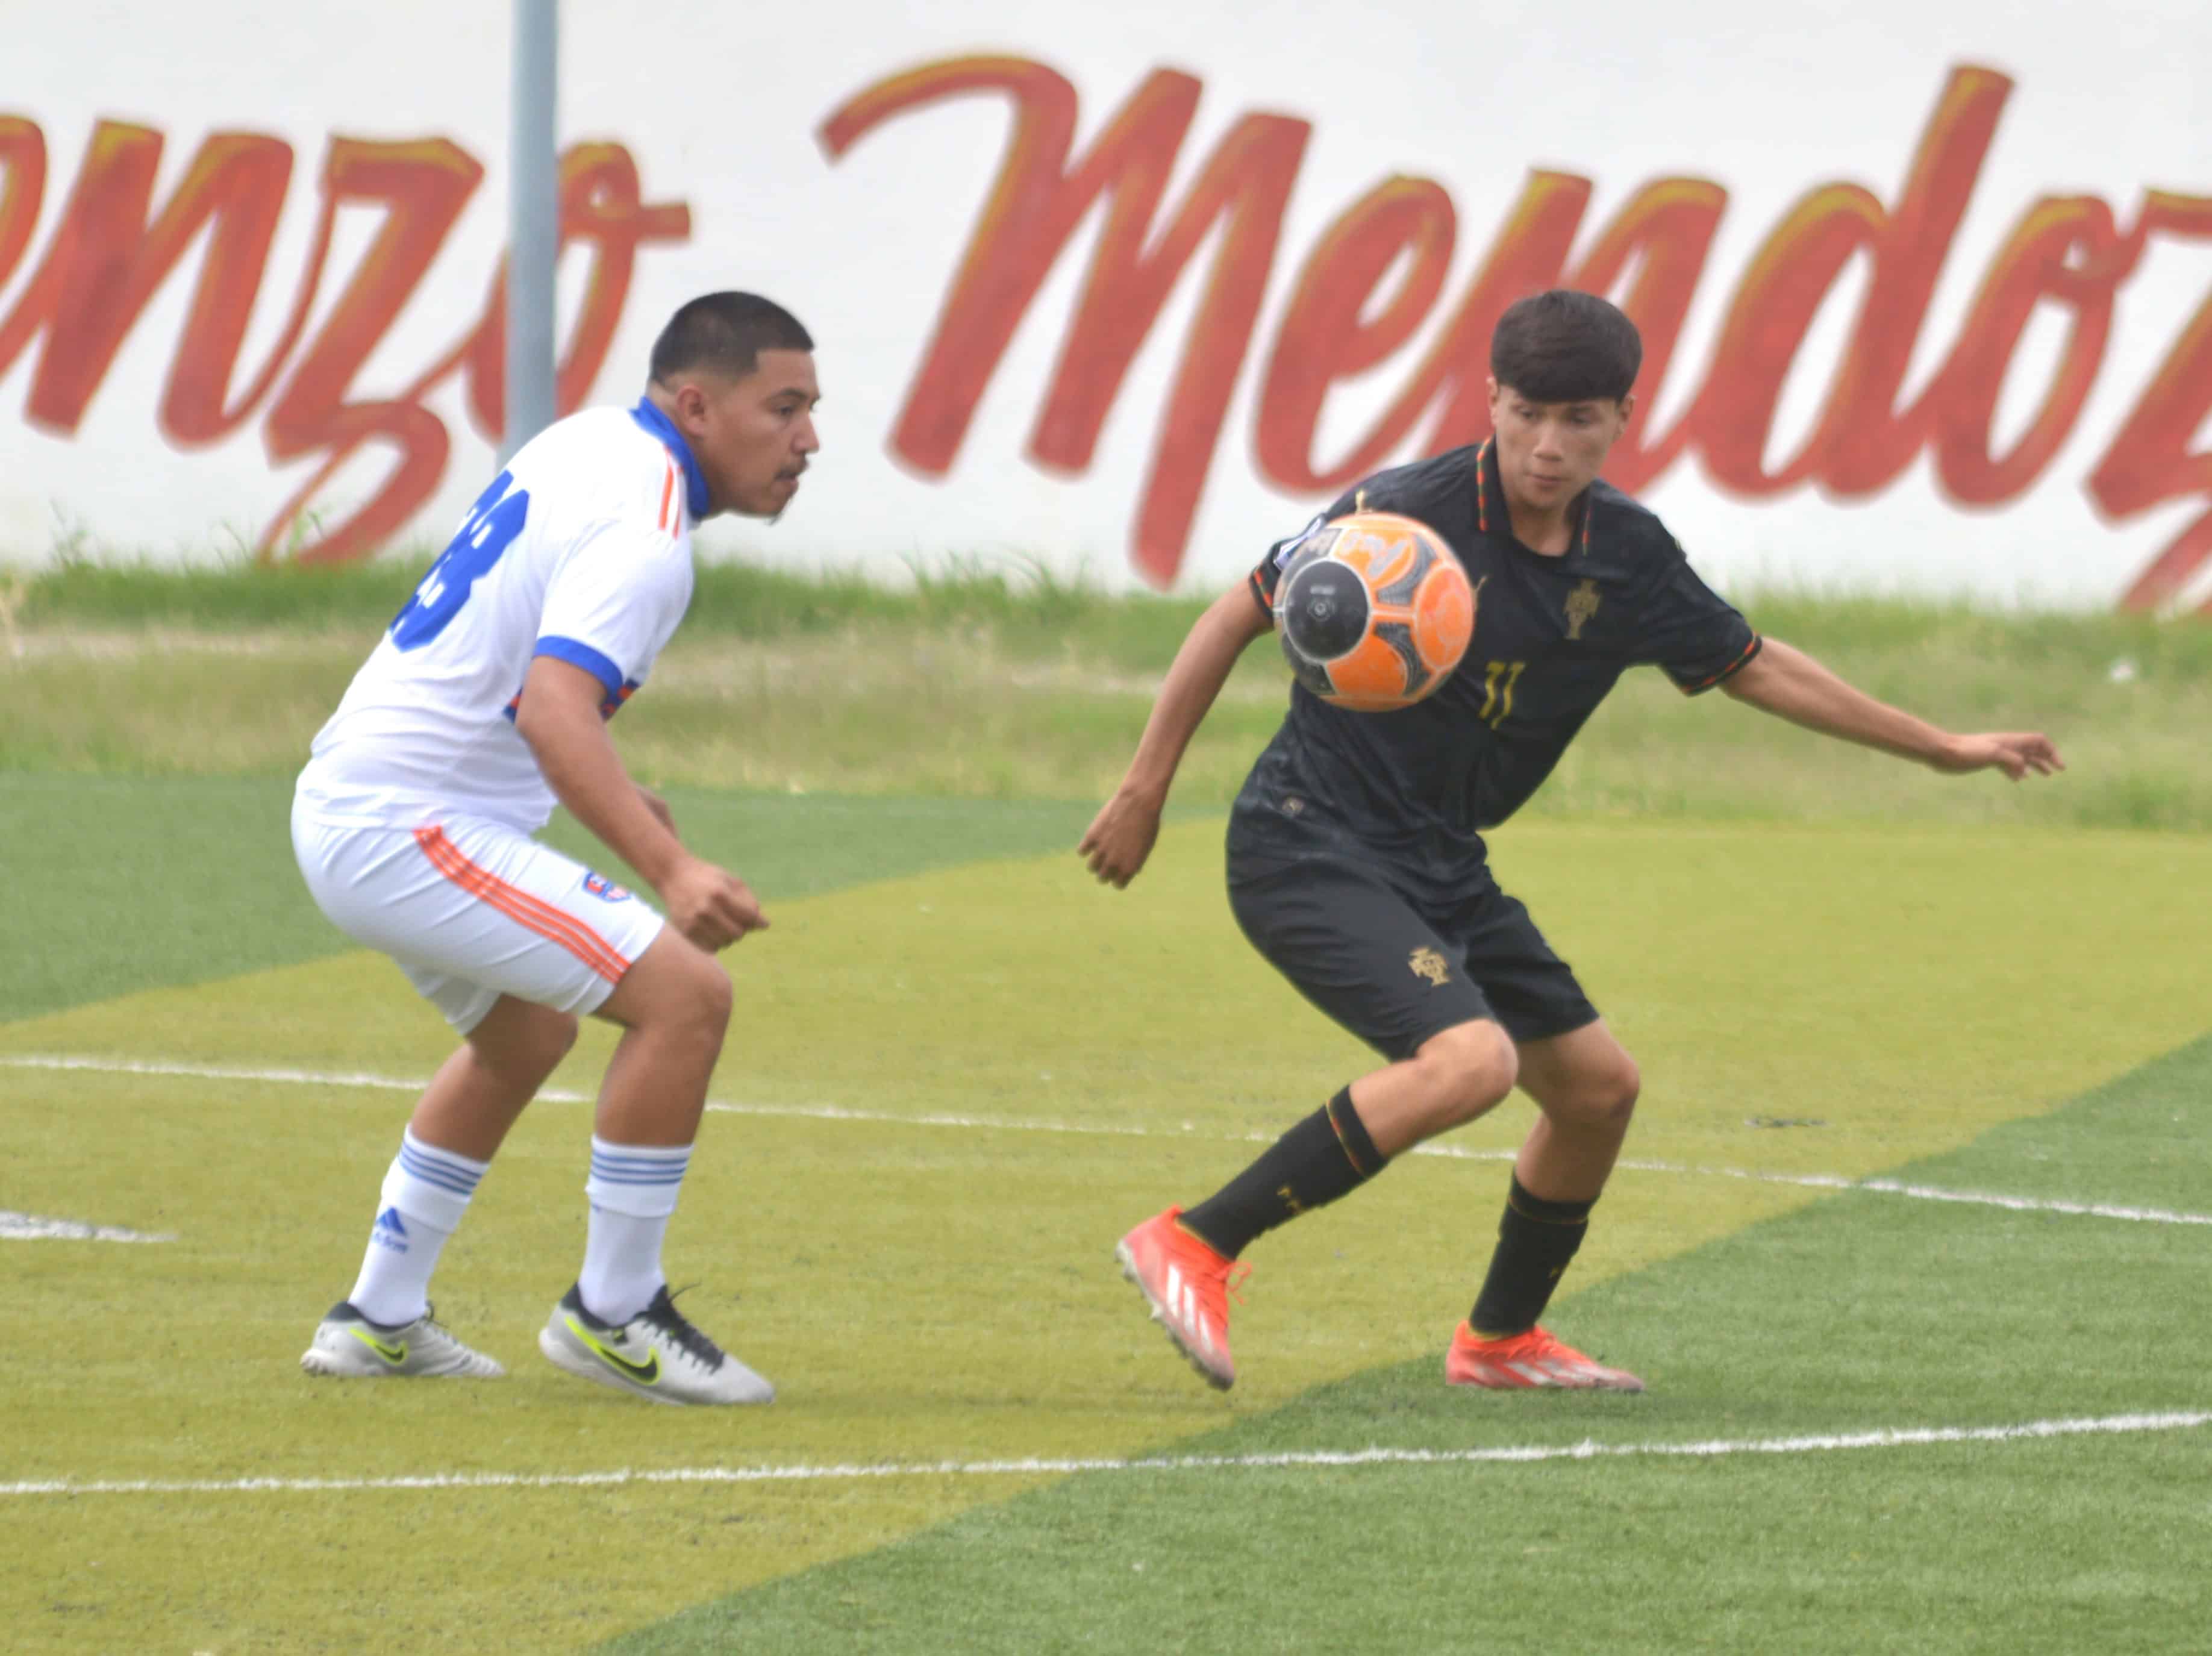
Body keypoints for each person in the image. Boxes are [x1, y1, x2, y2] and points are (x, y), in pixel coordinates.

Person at [1084, 289, 2061, 1393]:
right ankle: (1198, 1240)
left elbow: (1759, 664)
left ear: (1624, 417)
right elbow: (1237, 612)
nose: (1548, 447)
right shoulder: (1399, 517)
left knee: (1598, 1090)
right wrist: (1143, 788)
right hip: (1308, 841)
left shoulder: (1629, 557)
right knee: (1474, 1062)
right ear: (1491, 399)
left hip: (1439, 859)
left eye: (1580, 419)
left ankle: (1498, 1342)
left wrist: (1939, 747)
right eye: (1528, 414)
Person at [290, 291, 819, 1405]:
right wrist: (670, 871)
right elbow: (552, 711)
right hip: (407, 823)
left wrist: (630, 802)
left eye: (810, 410)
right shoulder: (650, 533)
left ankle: (378, 1315)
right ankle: (614, 1309)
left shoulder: (592, 441)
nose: (808, 440)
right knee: (687, 998)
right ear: (696, 404)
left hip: (361, 802)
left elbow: (520, 674)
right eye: (783, 409)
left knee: (524, 1035)